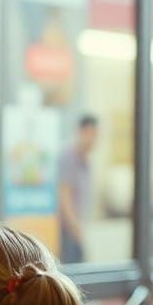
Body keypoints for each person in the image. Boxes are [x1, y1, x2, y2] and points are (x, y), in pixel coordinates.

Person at [57, 113, 98, 264]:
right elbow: (65, 198)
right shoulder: (69, 156)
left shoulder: (85, 160)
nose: (94, 139)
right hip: (68, 230)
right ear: (82, 132)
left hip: (78, 228)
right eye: (91, 133)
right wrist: (76, 230)